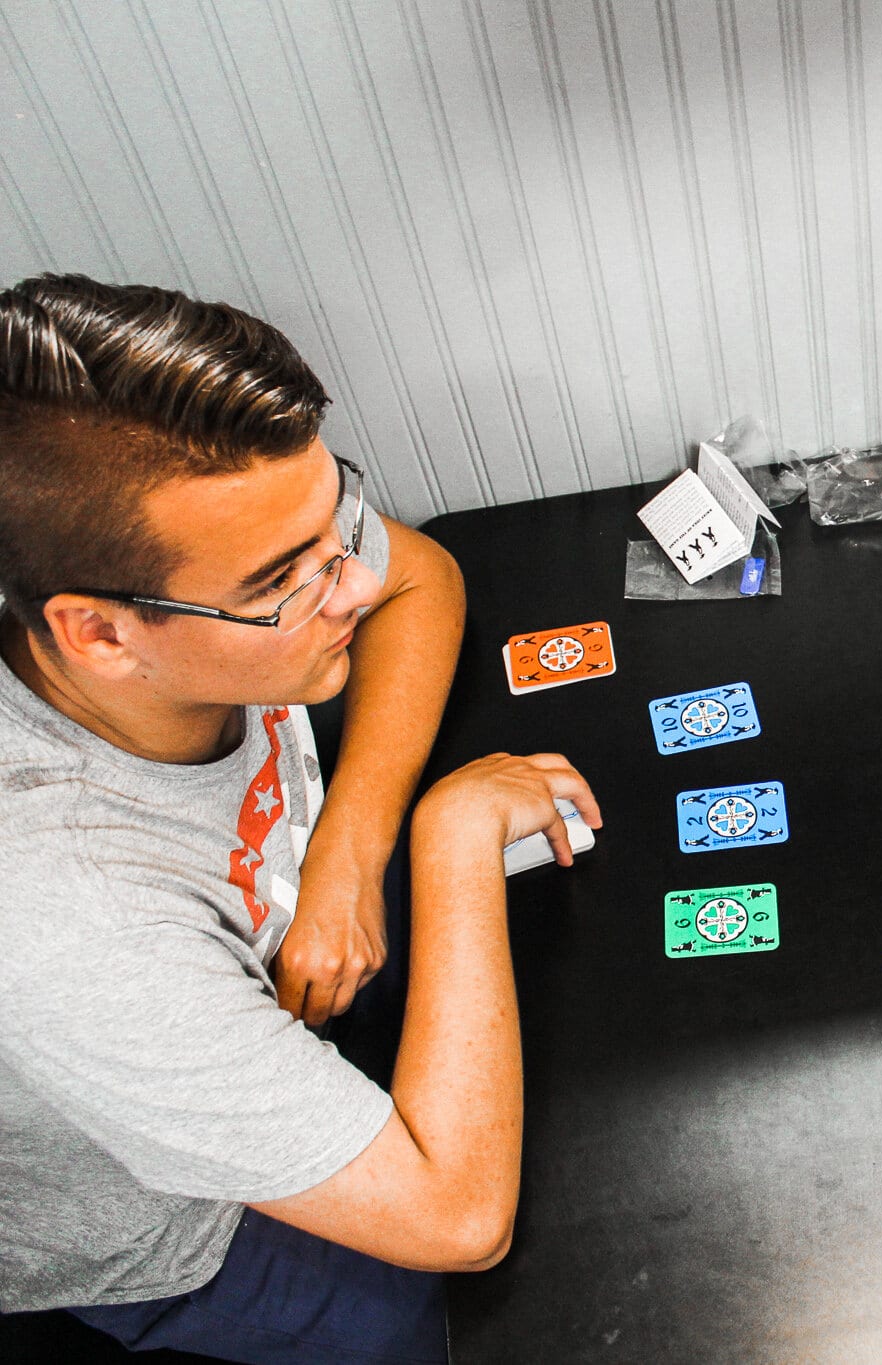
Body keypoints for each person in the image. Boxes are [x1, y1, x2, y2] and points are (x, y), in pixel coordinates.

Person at [0, 275, 597, 1363]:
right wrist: (448, 835)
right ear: (97, 634)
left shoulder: (232, 541)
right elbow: (458, 1221)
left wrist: (347, 853)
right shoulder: (67, 922)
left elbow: (421, 575)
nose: (353, 588)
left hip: (280, 959)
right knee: (437, 1330)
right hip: (183, 1230)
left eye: (336, 525)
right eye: (286, 582)